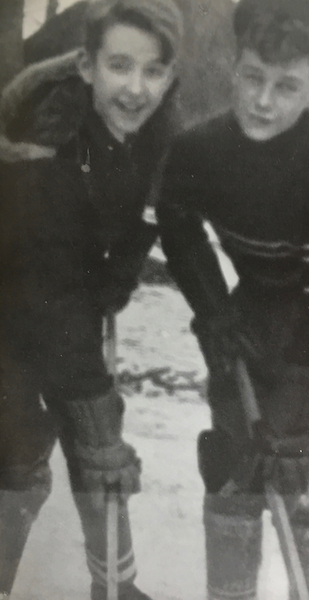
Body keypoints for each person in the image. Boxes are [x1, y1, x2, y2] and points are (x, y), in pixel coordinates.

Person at [157, 1, 309, 599]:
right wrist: (213, 308)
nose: (263, 101)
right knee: (235, 468)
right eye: (253, 78)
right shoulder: (200, 150)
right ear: (234, 68)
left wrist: (294, 423)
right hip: (255, 309)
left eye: (286, 86)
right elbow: (178, 222)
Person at [0, 1, 183, 599]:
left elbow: (142, 214)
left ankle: (117, 586)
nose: (136, 88)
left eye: (153, 71)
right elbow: (46, 294)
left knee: (93, 443)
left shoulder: (154, 126)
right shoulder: (48, 140)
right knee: (24, 457)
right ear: (86, 64)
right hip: (15, 307)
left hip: (60, 301)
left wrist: (122, 271)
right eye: (120, 66)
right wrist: (95, 410)